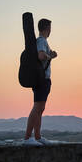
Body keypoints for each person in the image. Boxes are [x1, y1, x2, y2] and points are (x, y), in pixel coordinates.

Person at [23, 18, 57, 146]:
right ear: (47, 28)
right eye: (50, 28)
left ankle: (37, 137)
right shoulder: (42, 41)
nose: (50, 31)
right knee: (37, 107)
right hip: (42, 80)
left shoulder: (41, 42)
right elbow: (41, 56)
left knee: (40, 109)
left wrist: (49, 55)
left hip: (42, 79)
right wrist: (51, 56)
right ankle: (27, 137)